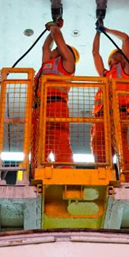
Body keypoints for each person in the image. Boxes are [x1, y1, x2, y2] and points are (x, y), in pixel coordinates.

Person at [91, 24, 129, 185]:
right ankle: (104, 178)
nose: (119, 57)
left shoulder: (126, 70)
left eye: (121, 54)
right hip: (101, 115)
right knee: (98, 146)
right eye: (116, 55)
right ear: (110, 60)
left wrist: (106, 30)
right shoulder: (105, 74)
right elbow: (95, 53)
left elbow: (125, 38)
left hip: (119, 114)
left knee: (121, 148)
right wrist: (97, 33)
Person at [31, 18, 78, 168]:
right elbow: (46, 47)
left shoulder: (67, 63)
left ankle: (64, 171)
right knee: (37, 144)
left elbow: (58, 38)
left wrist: (55, 27)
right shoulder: (47, 64)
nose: (53, 50)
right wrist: (52, 30)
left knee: (59, 140)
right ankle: (37, 171)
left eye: (57, 49)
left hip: (56, 105)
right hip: (39, 109)